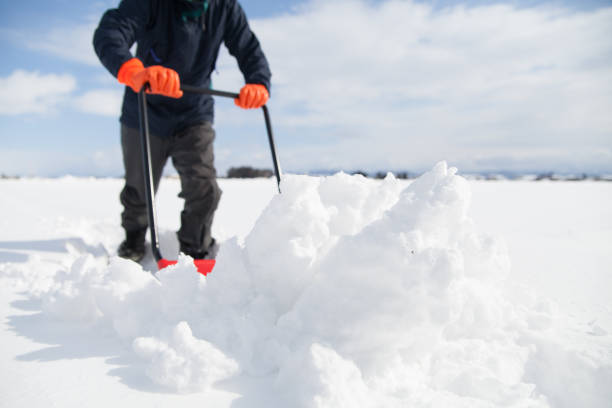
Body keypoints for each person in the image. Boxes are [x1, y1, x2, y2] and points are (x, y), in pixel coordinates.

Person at [93, 0, 271, 262]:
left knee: (203, 188)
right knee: (139, 188)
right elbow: (110, 31)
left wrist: (258, 81)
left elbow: (248, 47)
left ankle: (195, 248)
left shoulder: (225, 7)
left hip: (193, 114)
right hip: (144, 111)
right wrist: (132, 70)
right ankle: (133, 238)